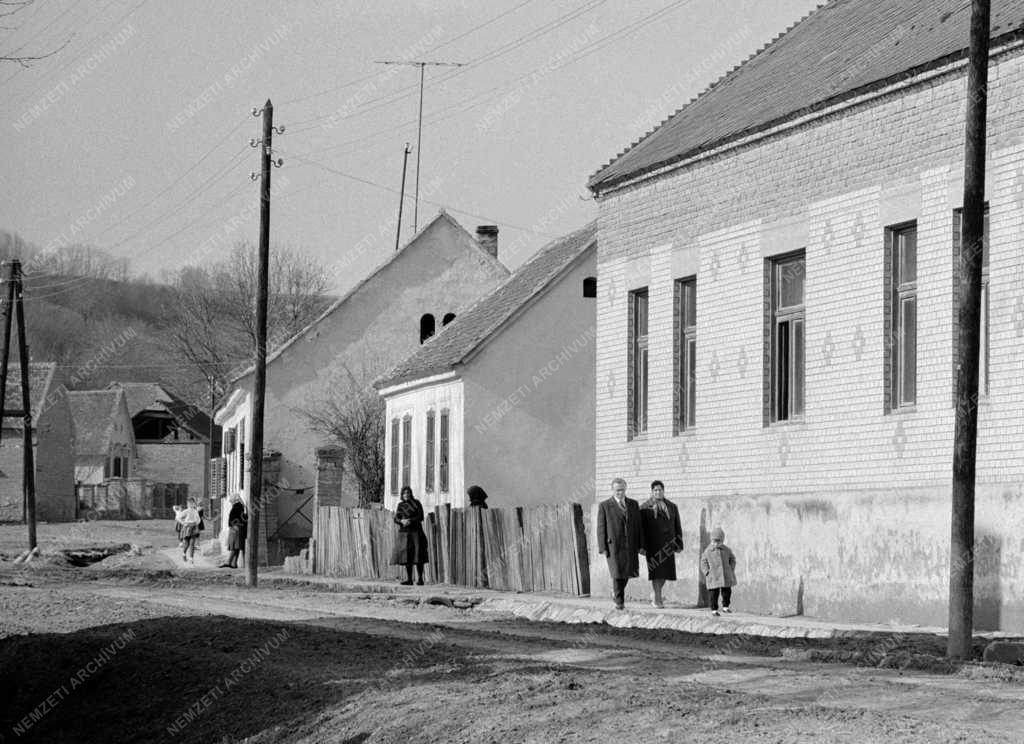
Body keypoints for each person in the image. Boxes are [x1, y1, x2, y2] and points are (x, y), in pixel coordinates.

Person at [596, 477, 643, 610]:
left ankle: (615, 593)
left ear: (625, 489)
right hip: (613, 546)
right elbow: (601, 528)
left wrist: (641, 545)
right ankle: (619, 602)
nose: (620, 493)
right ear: (612, 490)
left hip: (630, 545)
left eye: (622, 490)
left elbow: (639, 526)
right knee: (617, 573)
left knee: (628, 572)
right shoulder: (605, 505)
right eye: (617, 490)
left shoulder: (633, 504)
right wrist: (602, 547)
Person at [639, 480, 683, 608]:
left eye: (660, 490)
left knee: (666, 574)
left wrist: (679, 543)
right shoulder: (644, 507)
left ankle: (655, 594)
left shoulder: (672, 506)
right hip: (653, 545)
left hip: (668, 544)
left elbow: (677, 525)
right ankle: (657, 599)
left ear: (663, 491)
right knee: (656, 573)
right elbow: (641, 529)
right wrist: (641, 546)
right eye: (655, 490)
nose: (658, 492)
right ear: (652, 492)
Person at [391, 486, 428, 585]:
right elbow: (396, 518)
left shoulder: (416, 504)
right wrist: (401, 521)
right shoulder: (400, 505)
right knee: (407, 557)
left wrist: (410, 521)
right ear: (402, 495)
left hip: (416, 532)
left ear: (410, 494)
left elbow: (420, 517)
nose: (406, 495)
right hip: (404, 533)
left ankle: (420, 579)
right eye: (404, 493)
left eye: (408, 493)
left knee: (418, 556)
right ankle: (409, 579)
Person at [700, 527, 737, 616]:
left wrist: (731, 569)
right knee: (714, 593)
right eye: (714, 541)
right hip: (713, 575)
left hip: (725, 575)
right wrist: (706, 572)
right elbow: (703, 562)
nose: (716, 544)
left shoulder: (726, 550)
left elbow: (732, 559)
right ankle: (714, 609)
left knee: (727, 591)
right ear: (711, 540)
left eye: (718, 541)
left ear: (722, 541)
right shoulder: (708, 551)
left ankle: (725, 607)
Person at [220, 494, 247, 569]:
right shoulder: (239, 506)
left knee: (234, 546)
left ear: (235, 499)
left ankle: (228, 562)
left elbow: (238, 518)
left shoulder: (237, 506)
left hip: (235, 528)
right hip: (237, 528)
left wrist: (235, 525)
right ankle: (234, 563)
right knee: (236, 546)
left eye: (231, 499)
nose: (230, 500)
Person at [176, 498, 203, 565]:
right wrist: (183, 523)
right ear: (187, 504)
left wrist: (196, 523)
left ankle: (191, 559)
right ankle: (184, 553)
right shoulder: (186, 511)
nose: (191, 505)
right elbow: (178, 518)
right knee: (187, 544)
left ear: (194, 504)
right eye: (190, 503)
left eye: (192, 503)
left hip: (194, 528)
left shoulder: (195, 511)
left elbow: (198, 519)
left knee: (192, 544)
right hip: (187, 528)